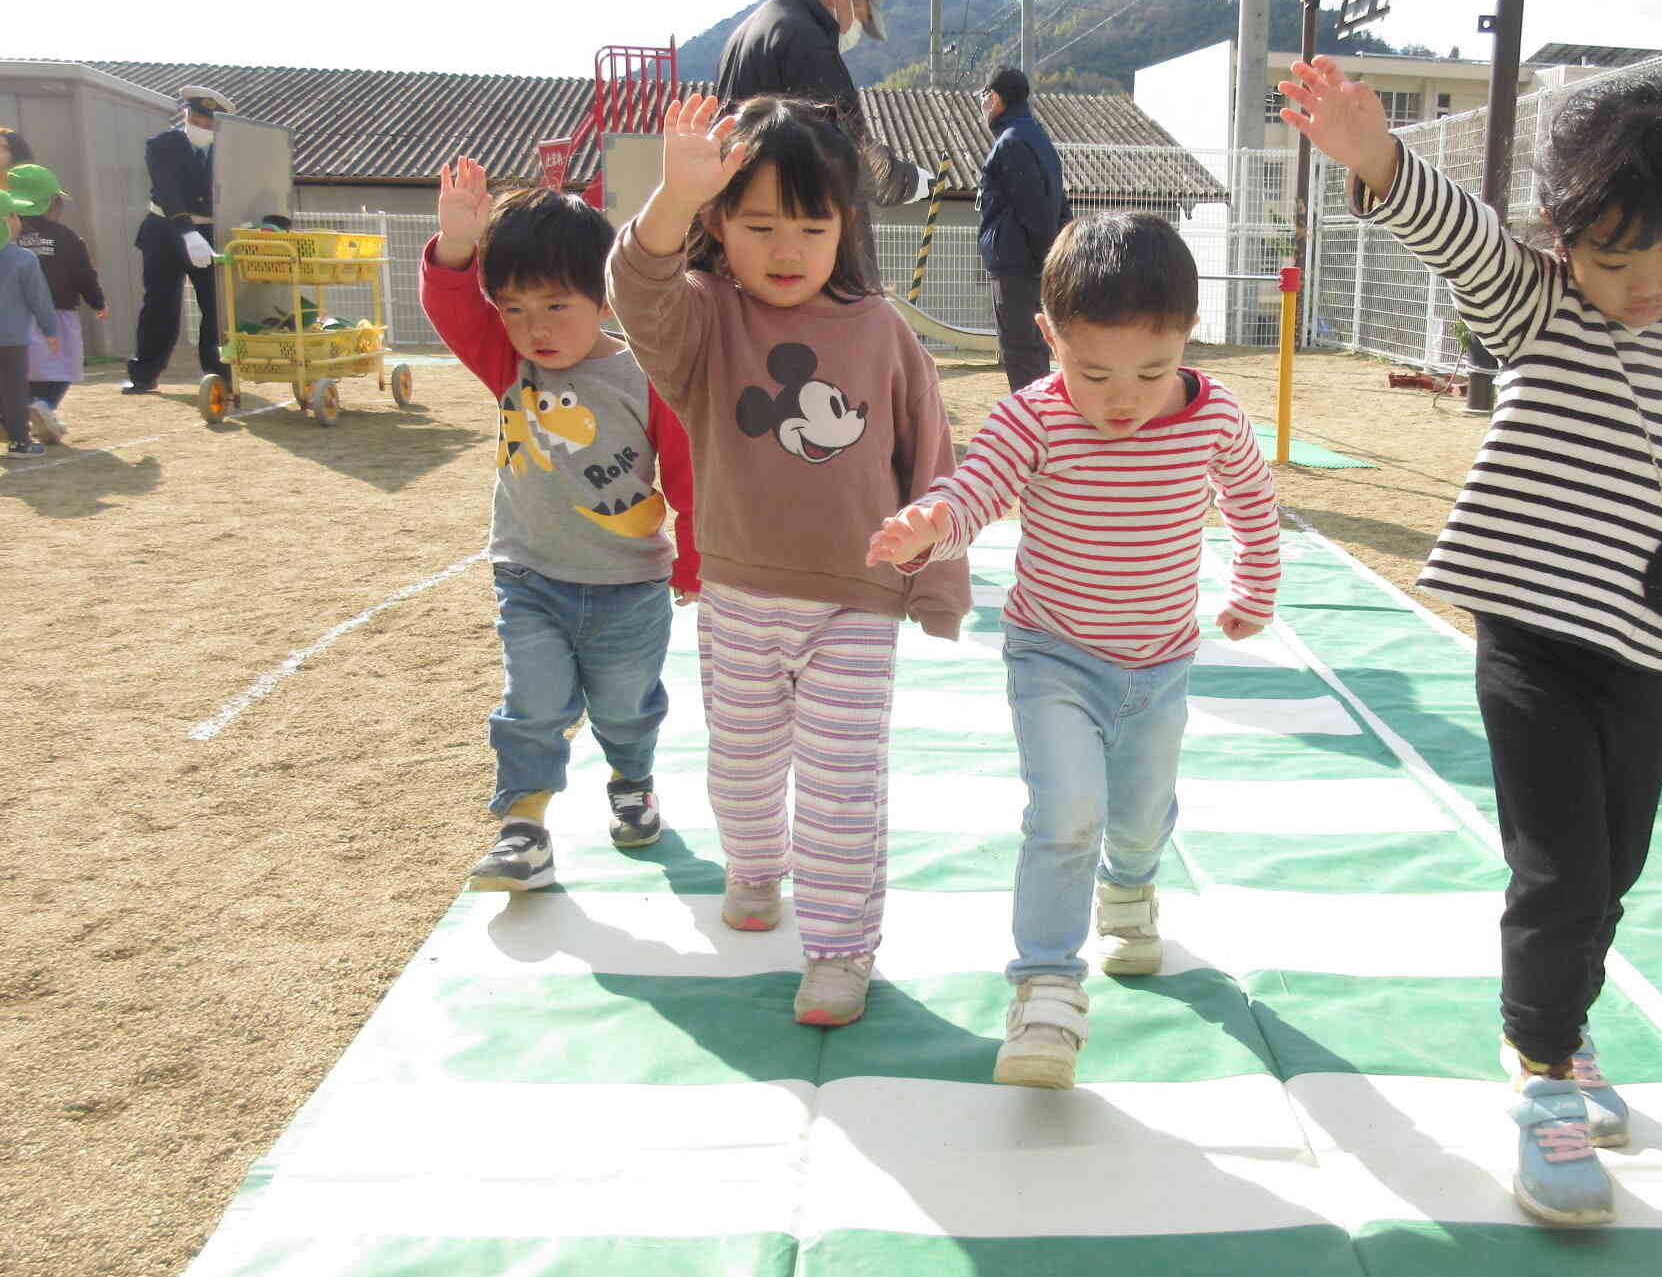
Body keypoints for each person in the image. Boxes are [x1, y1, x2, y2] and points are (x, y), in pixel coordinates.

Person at [1279, 55, 1662, 1227]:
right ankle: (1538, 1076)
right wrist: (1375, 156)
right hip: (1527, 633)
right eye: (1611, 257)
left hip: (1645, 653)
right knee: (1560, 867)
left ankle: (1566, 1027)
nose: (1640, 287)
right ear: (1564, 235)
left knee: (1615, 867)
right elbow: (1462, 240)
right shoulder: (1540, 303)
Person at [867, 211, 1283, 1091]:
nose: (1123, 397)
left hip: (1162, 663)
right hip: (1053, 655)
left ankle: (1129, 890)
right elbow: (975, 491)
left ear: (1188, 338)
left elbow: (1251, 502)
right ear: (1048, 336)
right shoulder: (1036, 417)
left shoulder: (1213, 421)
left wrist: (1252, 588)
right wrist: (932, 524)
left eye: (1152, 370)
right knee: (1064, 816)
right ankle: (1046, 987)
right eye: (1092, 371)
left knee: (1136, 816)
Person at [606, 92, 970, 1028]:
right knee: (741, 770)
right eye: (758, 222)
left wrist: (933, 566)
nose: (786, 247)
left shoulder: (883, 331)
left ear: (846, 225)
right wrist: (673, 198)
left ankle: (841, 950)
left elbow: (933, 459)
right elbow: (635, 290)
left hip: (856, 599)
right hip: (737, 594)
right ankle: (755, 866)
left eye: (812, 223)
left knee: (844, 784)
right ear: (720, 225)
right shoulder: (703, 322)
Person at [422, 164, 701, 893]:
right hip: (531, 577)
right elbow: (454, 309)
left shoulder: (646, 374)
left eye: (555, 305)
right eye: (513, 308)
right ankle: (525, 832)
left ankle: (632, 780)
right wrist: (456, 244)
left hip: (629, 586)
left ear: (602, 296)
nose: (534, 329)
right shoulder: (508, 363)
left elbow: (690, 473)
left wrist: (694, 560)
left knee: (624, 708)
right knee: (533, 706)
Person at [714, 0, 933, 283]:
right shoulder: (805, 40)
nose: (854, 27)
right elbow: (848, 147)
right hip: (796, 228)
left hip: (746, 228)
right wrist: (906, 181)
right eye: (860, 14)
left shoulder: (751, 28)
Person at [126, 85, 234, 394]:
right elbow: (167, 190)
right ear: (186, 114)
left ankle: (218, 376)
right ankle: (144, 374)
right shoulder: (162, 145)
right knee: (160, 304)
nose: (202, 128)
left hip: (211, 231)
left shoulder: (228, 150)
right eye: (197, 121)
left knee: (216, 308)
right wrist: (186, 231)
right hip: (165, 230)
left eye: (209, 124)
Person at [976, 67, 1073, 391]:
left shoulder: (1013, 142)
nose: (982, 105)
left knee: (1022, 353)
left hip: (1019, 266)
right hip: (1034, 262)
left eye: (983, 97)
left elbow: (1035, 210)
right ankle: (1040, 427)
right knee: (1032, 351)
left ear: (995, 98)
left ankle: (1035, 430)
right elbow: (1058, 203)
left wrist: (1042, 258)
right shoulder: (1037, 137)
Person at [6, 169, 107, 443]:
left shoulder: (7, 236)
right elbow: (84, 274)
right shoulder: (67, 237)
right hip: (58, 314)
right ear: (52, 202)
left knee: (19, 370)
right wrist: (97, 302)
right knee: (63, 367)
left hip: (12, 317)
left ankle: (16, 413)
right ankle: (44, 406)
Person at [1, 184, 60, 457]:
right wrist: (50, 331)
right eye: (13, 215)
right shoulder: (23, 259)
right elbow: (40, 300)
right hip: (11, 339)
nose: (18, 220)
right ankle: (19, 441)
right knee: (13, 389)